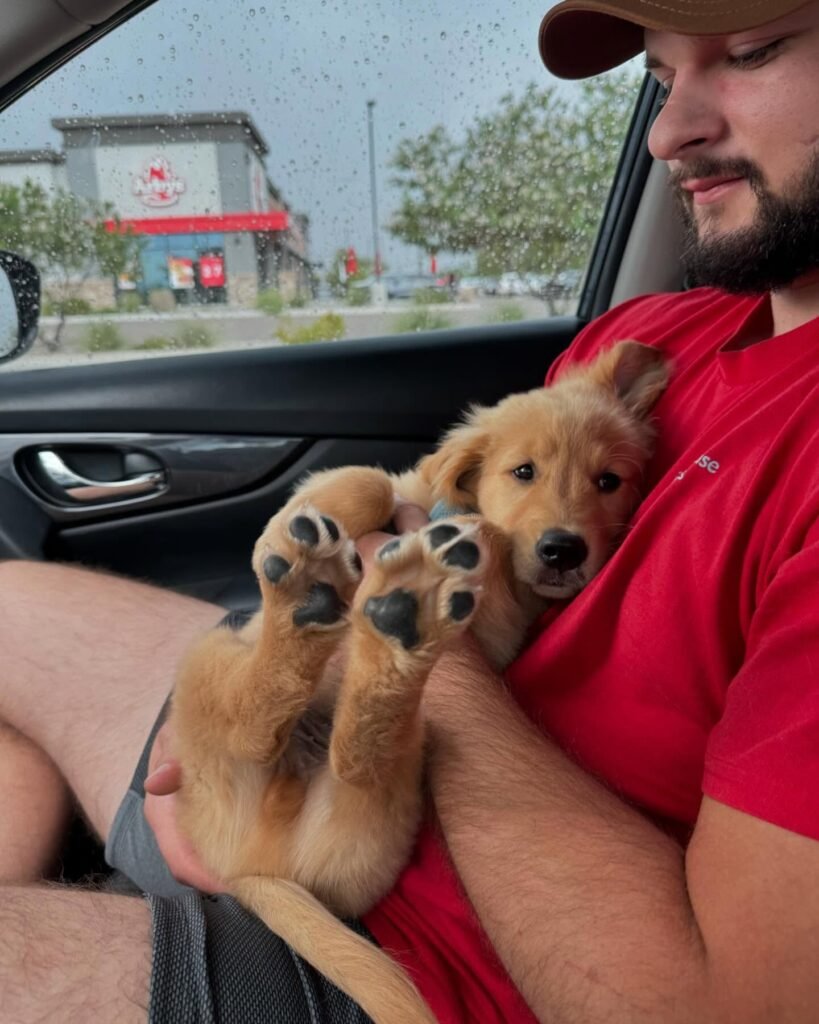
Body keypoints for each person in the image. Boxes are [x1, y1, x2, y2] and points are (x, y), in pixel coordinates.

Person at [3, 0, 819, 1020]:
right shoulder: (653, 343)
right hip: (337, 753)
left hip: (445, 963)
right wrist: (246, 708)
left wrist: (419, 660)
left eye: (751, 52)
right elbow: (445, 509)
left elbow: (720, 1008)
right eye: (661, 76)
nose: (669, 131)